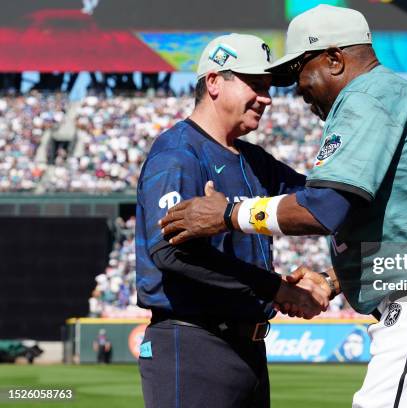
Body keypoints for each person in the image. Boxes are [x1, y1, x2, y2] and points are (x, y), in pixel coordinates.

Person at [160, 5, 407, 408]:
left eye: (299, 73)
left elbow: (323, 207)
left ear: (334, 58)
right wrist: (332, 279)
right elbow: (390, 220)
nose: (296, 90)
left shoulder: (364, 96)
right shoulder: (395, 92)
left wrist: (228, 215)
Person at [135, 33, 330, 408]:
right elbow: (172, 253)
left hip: (249, 349)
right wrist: (275, 287)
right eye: (255, 84)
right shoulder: (178, 153)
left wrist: (405, 160)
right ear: (213, 82)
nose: (267, 97)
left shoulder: (255, 160)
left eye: (269, 87)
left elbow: (324, 204)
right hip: (193, 346)